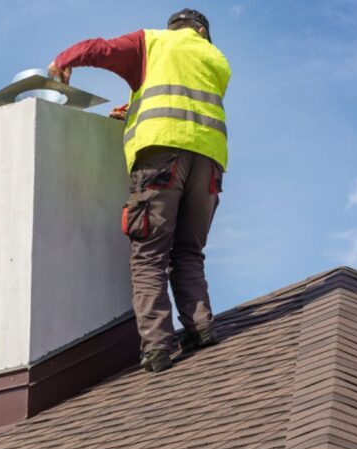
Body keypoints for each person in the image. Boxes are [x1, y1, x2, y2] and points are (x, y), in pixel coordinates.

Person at [49, 8, 230, 373]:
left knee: (148, 254)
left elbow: (100, 49)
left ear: (175, 27)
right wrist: (133, 109)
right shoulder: (216, 59)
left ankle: (158, 347)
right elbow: (183, 102)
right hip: (208, 164)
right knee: (189, 251)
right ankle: (201, 328)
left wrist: (61, 60)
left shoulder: (153, 42)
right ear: (201, 31)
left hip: (161, 159)